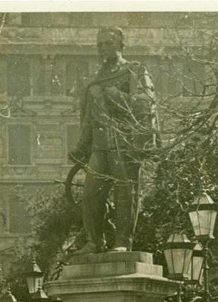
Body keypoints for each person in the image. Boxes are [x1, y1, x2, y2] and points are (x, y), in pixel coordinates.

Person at [69, 27, 157, 254]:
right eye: (99, 45)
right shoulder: (94, 83)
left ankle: (122, 241)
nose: (102, 49)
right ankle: (94, 241)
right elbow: (88, 119)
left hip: (126, 143)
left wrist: (117, 96)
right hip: (99, 146)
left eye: (108, 44)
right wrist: (81, 146)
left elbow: (145, 104)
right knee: (90, 194)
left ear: (120, 45)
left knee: (125, 192)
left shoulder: (134, 71)